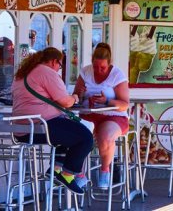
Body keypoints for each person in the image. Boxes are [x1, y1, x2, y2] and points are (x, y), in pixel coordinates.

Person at [12, 47, 93, 194]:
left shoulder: (23, 73)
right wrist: (75, 97)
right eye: (59, 66)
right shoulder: (46, 72)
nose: (58, 69)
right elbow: (66, 102)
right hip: (41, 125)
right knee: (86, 138)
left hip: (21, 130)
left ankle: (55, 169)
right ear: (54, 61)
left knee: (68, 133)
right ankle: (68, 175)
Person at [73, 43, 130, 188]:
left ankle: (105, 170)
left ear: (109, 64)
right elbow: (75, 97)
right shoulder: (86, 71)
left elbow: (124, 104)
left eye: (102, 68)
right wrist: (80, 94)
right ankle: (78, 173)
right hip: (88, 114)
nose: (98, 70)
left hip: (113, 116)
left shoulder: (117, 75)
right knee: (70, 134)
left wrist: (107, 101)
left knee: (105, 136)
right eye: (95, 67)